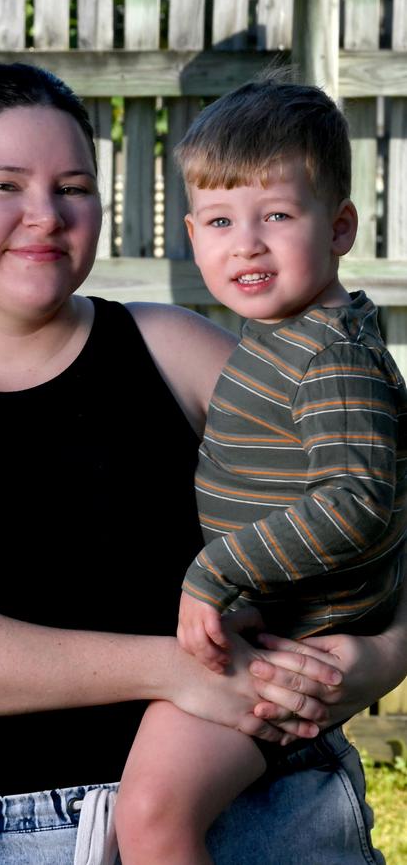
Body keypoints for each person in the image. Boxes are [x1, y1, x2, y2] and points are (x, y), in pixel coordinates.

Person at [0, 63, 407, 865]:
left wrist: (386, 653)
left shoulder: (173, 348)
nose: (44, 215)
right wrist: (172, 670)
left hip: (268, 812)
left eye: (72, 187)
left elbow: (375, 494)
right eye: (5, 184)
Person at [114, 79, 407, 865]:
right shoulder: (284, 334)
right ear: (191, 232)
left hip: (294, 643)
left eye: (276, 215)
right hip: (281, 622)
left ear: (339, 226)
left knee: (150, 815)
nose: (245, 242)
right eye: (219, 220)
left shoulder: (330, 357)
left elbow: (359, 504)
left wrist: (216, 572)